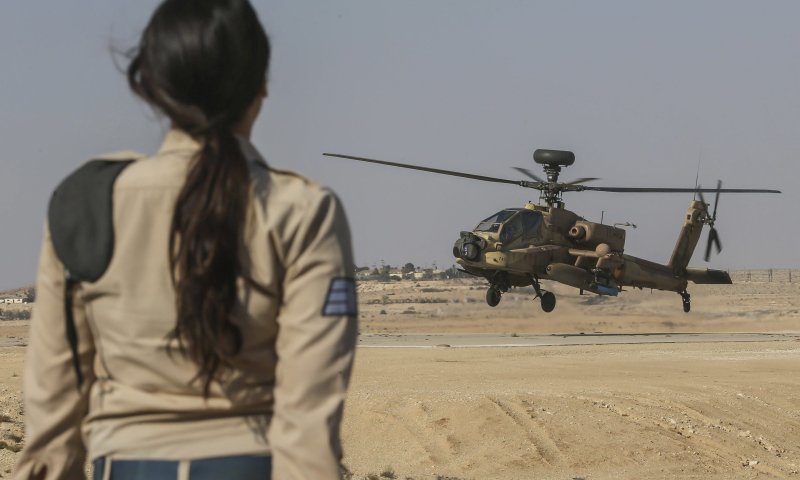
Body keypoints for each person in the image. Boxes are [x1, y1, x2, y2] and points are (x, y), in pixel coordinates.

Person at [14, 0, 357, 478]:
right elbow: (309, 422)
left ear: (153, 86)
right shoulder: (302, 211)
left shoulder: (85, 203)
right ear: (261, 84)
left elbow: (53, 412)